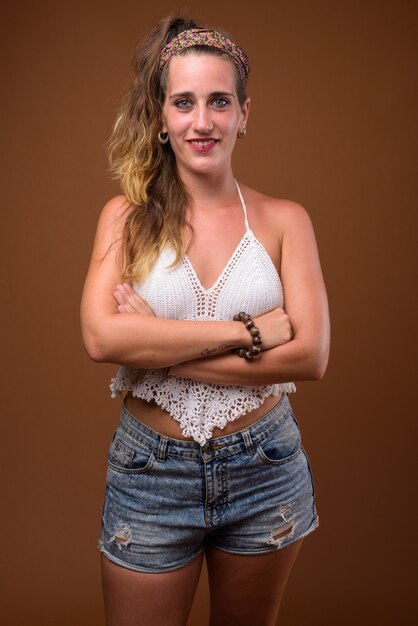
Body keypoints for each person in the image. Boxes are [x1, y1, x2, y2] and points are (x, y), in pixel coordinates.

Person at [81, 14, 330, 626]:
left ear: (244, 112)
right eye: (184, 102)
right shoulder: (126, 217)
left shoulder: (285, 220)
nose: (202, 121)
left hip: (265, 467)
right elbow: (100, 338)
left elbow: (310, 356)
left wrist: (155, 346)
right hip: (150, 471)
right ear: (162, 117)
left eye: (219, 101)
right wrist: (247, 333)